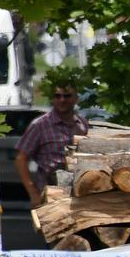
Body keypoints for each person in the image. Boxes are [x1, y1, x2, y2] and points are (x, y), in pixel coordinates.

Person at [15, 71, 90, 206]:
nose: (62, 100)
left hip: (80, 192)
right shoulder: (40, 125)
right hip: (50, 192)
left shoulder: (82, 124)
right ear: (52, 98)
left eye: (67, 96)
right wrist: (33, 193)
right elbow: (21, 158)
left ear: (76, 98)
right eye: (58, 96)